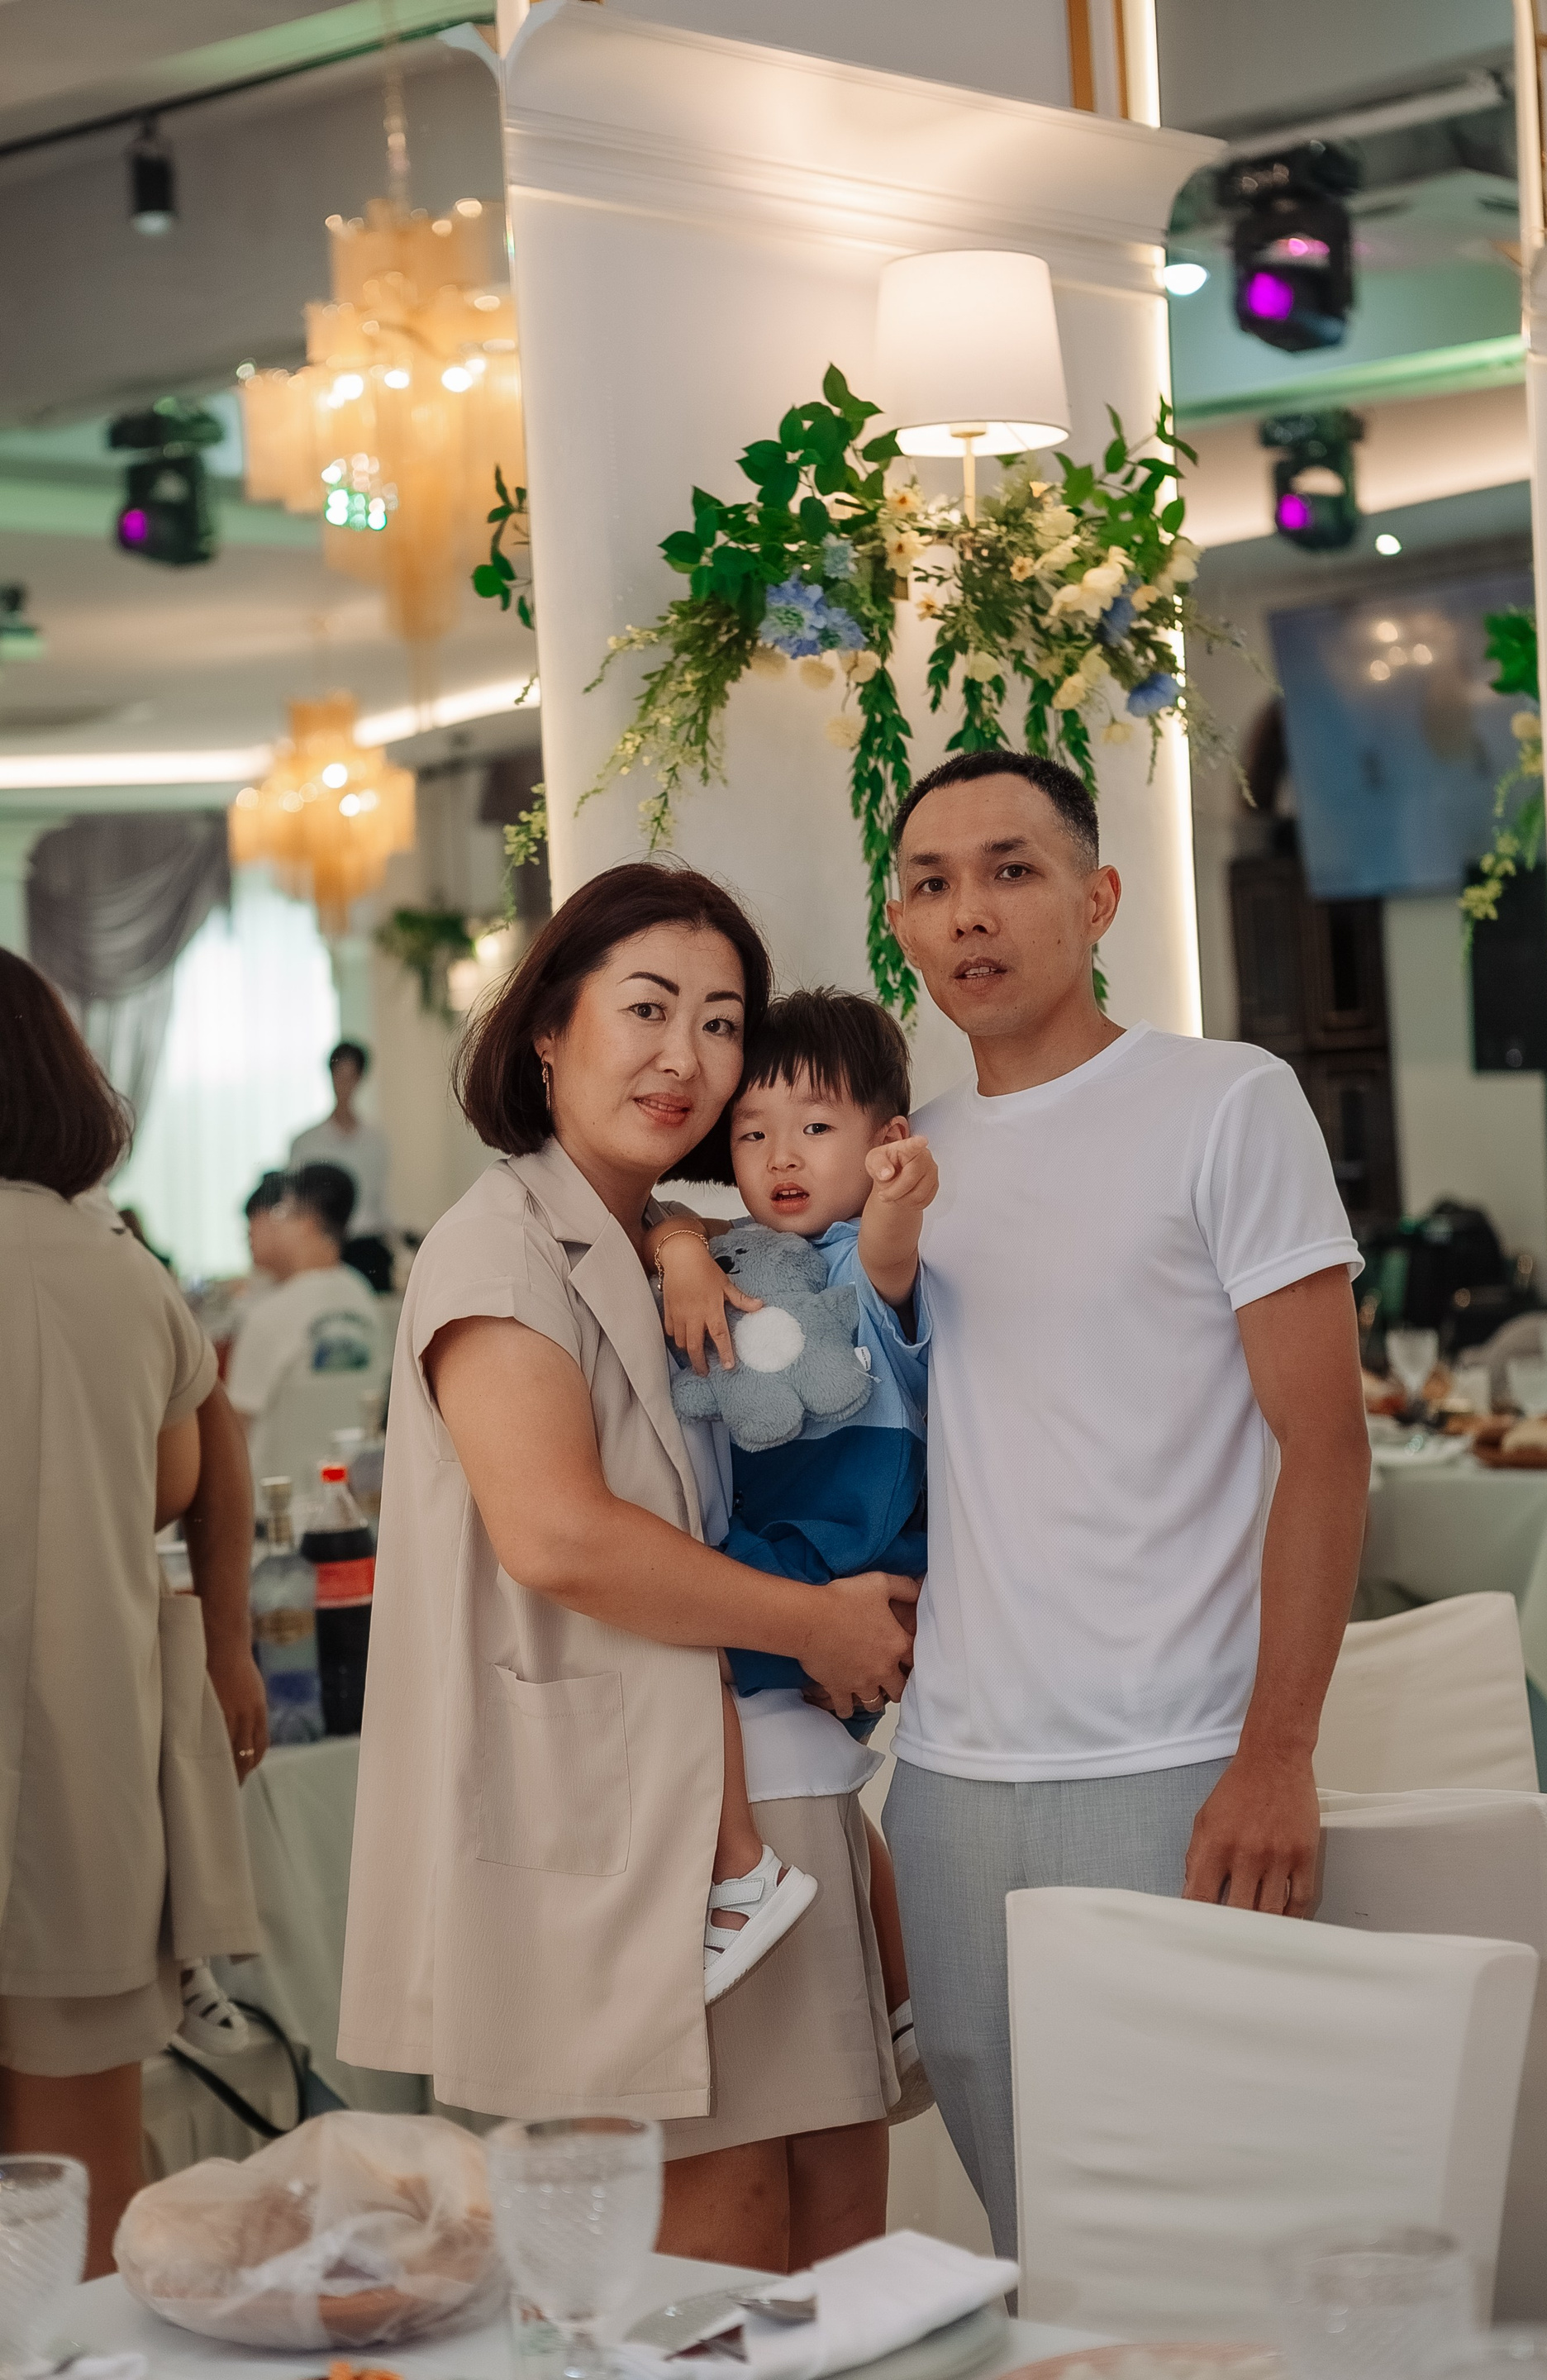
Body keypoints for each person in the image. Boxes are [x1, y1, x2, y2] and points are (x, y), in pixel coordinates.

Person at [339, 864, 919, 2273]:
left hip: (749, 1787)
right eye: (648, 1010)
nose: (687, 1057)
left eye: (720, 1024)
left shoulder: (679, 1237)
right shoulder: (499, 1250)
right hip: (633, 1828)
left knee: (839, 2240)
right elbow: (561, 1536)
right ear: (549, 1027)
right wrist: (816, 1625)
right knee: (722, 2266)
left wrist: (674, 1229)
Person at [878, 749, 1373, 2259]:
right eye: (932, 883)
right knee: (1030, 2235)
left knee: (1206, 2231)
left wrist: (1277, 1753)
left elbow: (1326, 1445)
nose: (971, 912)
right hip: (949, 1778)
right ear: (901, 927)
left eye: (1012, 871)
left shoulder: (1226, 1103)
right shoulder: (904, 1169)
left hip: (1176, 1758)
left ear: (1098, 900)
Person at [0, 953, 267, 2275]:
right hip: (81, 1766)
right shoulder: (121, 1268)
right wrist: (226, 1648)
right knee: (85, 2188)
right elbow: (194, 1477)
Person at [639, 989, 938, 2115]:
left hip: (840, 1548)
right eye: (754, 1133)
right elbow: (662, 1215)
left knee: (679, 1653)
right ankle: (903, 1996)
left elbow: (894, 1259)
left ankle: (745, 1874)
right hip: (784, 1544)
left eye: (816, 1127)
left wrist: (902, 1197)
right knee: (826, 1785)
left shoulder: (861, 1259)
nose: (782, 1156)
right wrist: (680, 1245)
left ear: (884, 1138)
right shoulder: (755, 1255)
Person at [226, 1163, 380, 1444]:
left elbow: (235, 1431)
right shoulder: (364, 1298)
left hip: (274, 1471)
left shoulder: (271, 1315)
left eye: (281, 1213)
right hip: (353, 1468)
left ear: (306, 1224)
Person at [288, 1040, 393, 1292]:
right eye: (339, 1076)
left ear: (360, 1079)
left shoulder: (376, 1141)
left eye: (350, 1077)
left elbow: (381, 1202)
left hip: (368, 1246)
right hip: (324, 1246)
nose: (344, 1085)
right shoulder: (306, 1143)